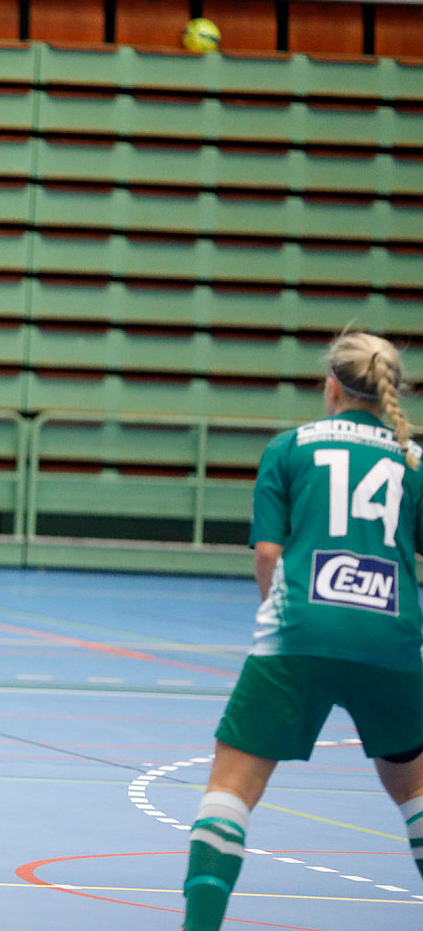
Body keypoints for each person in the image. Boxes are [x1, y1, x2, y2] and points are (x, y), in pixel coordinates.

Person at [181, 330, 423, 931]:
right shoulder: (414, 459)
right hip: (392, 641)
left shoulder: (289, 448)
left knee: (230, 790)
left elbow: (268, 555)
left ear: (333, 385)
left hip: (298, 634)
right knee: (416, 795)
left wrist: (281, 620)